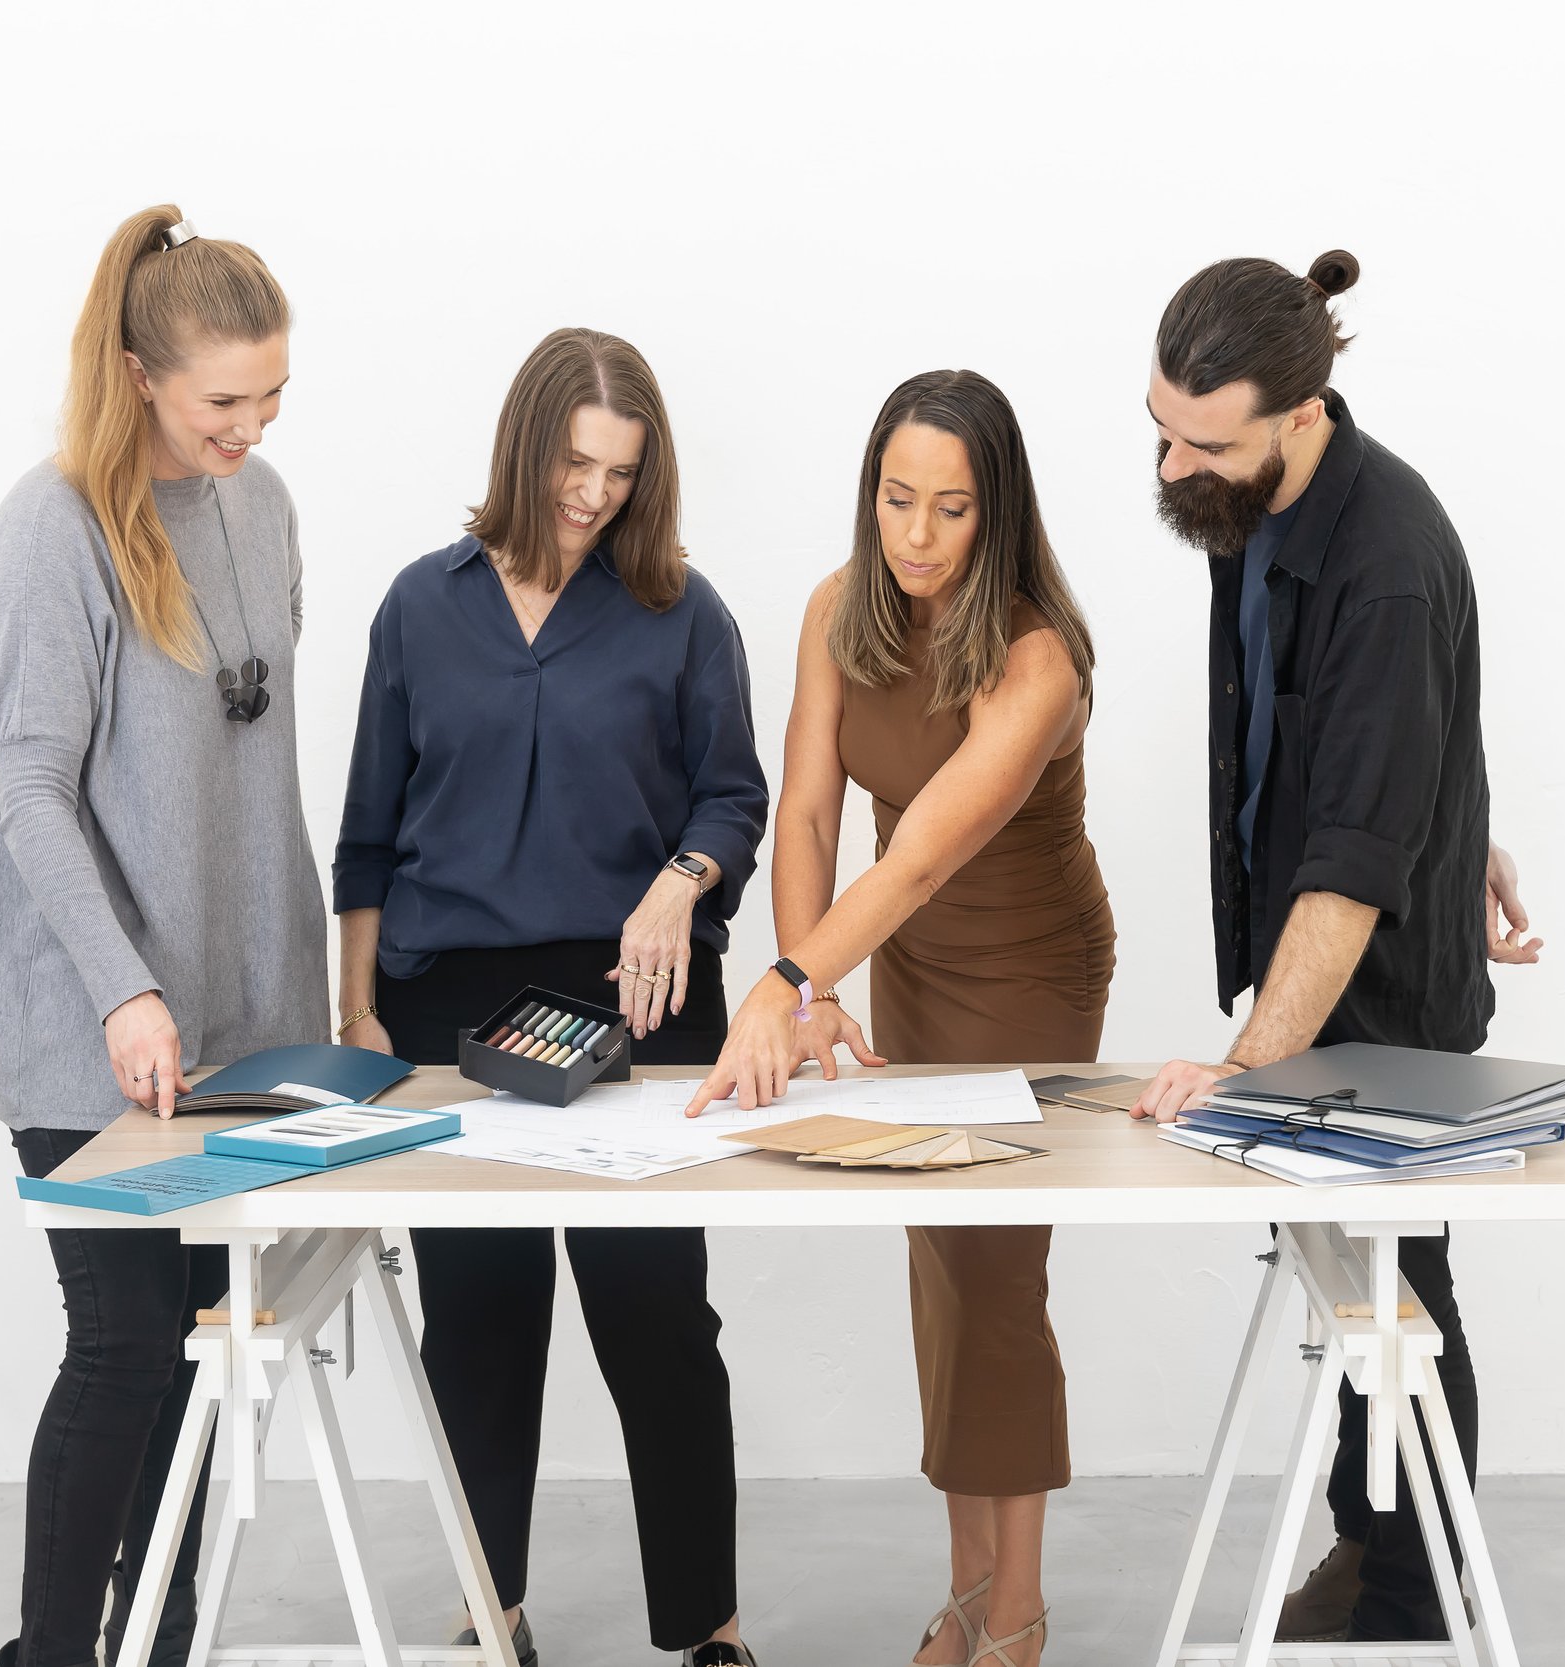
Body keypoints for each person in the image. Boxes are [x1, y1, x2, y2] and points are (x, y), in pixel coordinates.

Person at [332, 328, 770, 1667]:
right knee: (477, 1314)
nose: (594, 494)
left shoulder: (683, 613)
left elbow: (733, 797)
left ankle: (708, 1624)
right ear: (528, 447)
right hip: (447, 1011)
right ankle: (491, 1608)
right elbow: (366, 833)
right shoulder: (421, 606)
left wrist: (676, 884)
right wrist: (353, 1013)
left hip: (636, 1002)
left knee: (654, 1315)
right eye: (576, 463)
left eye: (622, 473)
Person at [1130, 252, 1544, 1646]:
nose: (1178, 466)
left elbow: (1359, 866)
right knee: (1340, 1281)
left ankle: (1419, 1589)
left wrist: (1242, 1070)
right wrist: (1467, 820)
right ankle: (1376, 1556)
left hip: (1379, 996)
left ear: (1305, 413)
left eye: (1210, 442)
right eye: (1162, 430)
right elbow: (1361, 742)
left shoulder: (1386, 563)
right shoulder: (1244, 506)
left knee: (1394, 1288)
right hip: (1301, 958)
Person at [687, 370, 1112, 1667]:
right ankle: (968, 1586)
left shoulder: (1038, 657)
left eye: (952, 510)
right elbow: (810, 813)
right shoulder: (838, 608)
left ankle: (1020, 1612)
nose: (917, 537)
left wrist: (787, 984)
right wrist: (810, 985)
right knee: (938, 1265)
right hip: (905, 963)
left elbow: (922, 850)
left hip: (1031, 973)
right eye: (896, 501)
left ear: (999, 515)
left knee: (999, 1272)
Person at [0, 205, 322, 1667]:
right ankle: (51, 1656)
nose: (254, 424)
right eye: (225, 399)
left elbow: (263, 768)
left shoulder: (267, 503)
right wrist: (124, 991)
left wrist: (305, 1009)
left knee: (187, 1367)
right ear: (140, 374)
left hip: (233, 1034)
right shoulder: (52, 532)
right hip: (90, 1035)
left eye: (274, 393)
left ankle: (156, 1647)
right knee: (118, 1353)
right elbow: (28, 789)